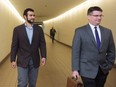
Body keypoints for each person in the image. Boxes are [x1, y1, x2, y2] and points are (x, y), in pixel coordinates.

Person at [72, 6, 115, 87]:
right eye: (96, 15)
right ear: (88, 17)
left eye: (100, 15)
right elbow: (75, 52)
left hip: (103, 70)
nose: (99, 18)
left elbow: (112, 50)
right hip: (86, 69)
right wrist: (75, 69)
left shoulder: (107, 32)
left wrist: (109, 65)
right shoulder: (80, 31)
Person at [10, 8, 46, 87]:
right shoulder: (17, 30)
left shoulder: (39, 29)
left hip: (35, 60)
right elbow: (14, 45)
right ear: (25, 17)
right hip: (22, 60)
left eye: (33, 15)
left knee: (32, 84)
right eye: (30, 15)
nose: (33, 17)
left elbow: (42, 43)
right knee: (22, 83)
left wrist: (43, 56)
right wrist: (13, 59)